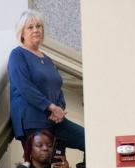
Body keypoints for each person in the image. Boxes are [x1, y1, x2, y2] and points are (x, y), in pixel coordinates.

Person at [8, 9, 85, 151]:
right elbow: (25, 87)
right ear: (22, 33)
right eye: (30, 27)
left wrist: (60, 108)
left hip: (55, 120)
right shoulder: (18, 55)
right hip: (33, 121)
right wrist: (51, 107)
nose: (36, 30)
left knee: (88, 140)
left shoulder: (47, 59)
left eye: (39, 26)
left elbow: (57, 86)